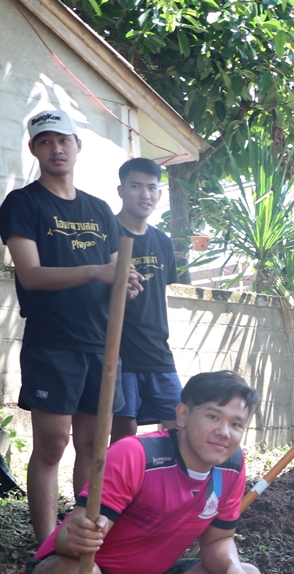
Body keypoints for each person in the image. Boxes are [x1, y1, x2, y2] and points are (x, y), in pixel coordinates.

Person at [14, 371, 264, 574]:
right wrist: (78, 535)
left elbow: (218, 541)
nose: (224, 433)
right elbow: (66, 541)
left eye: (236, 424)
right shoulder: (136, 455)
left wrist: (232, 569)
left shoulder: (232, 465)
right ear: (183, 415)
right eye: (213, 416)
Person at [0, 109, 142, 544]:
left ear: (78, 146)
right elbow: (32, 275)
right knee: (53, 443)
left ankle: (80, 531)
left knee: (95, 447)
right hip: (53, 340)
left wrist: (125, 277)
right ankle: (45, 542)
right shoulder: (23, 204)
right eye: (45, 142)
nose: (56, 148)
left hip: (101, 340)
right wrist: (98, 271)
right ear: (34, 150)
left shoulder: (98, 209)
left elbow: (117, 263)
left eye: (64, 140)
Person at [111, 158, 182, 441]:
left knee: (178, 426)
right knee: (124, 431)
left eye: (152, 188)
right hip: (120, 352)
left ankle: (166, 485)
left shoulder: (163, 241)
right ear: (121, 190)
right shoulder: (108, 235)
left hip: (158, 352)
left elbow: (158, 295)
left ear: (159, 195)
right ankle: (119, 485)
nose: (145, 194)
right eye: (136, 186)